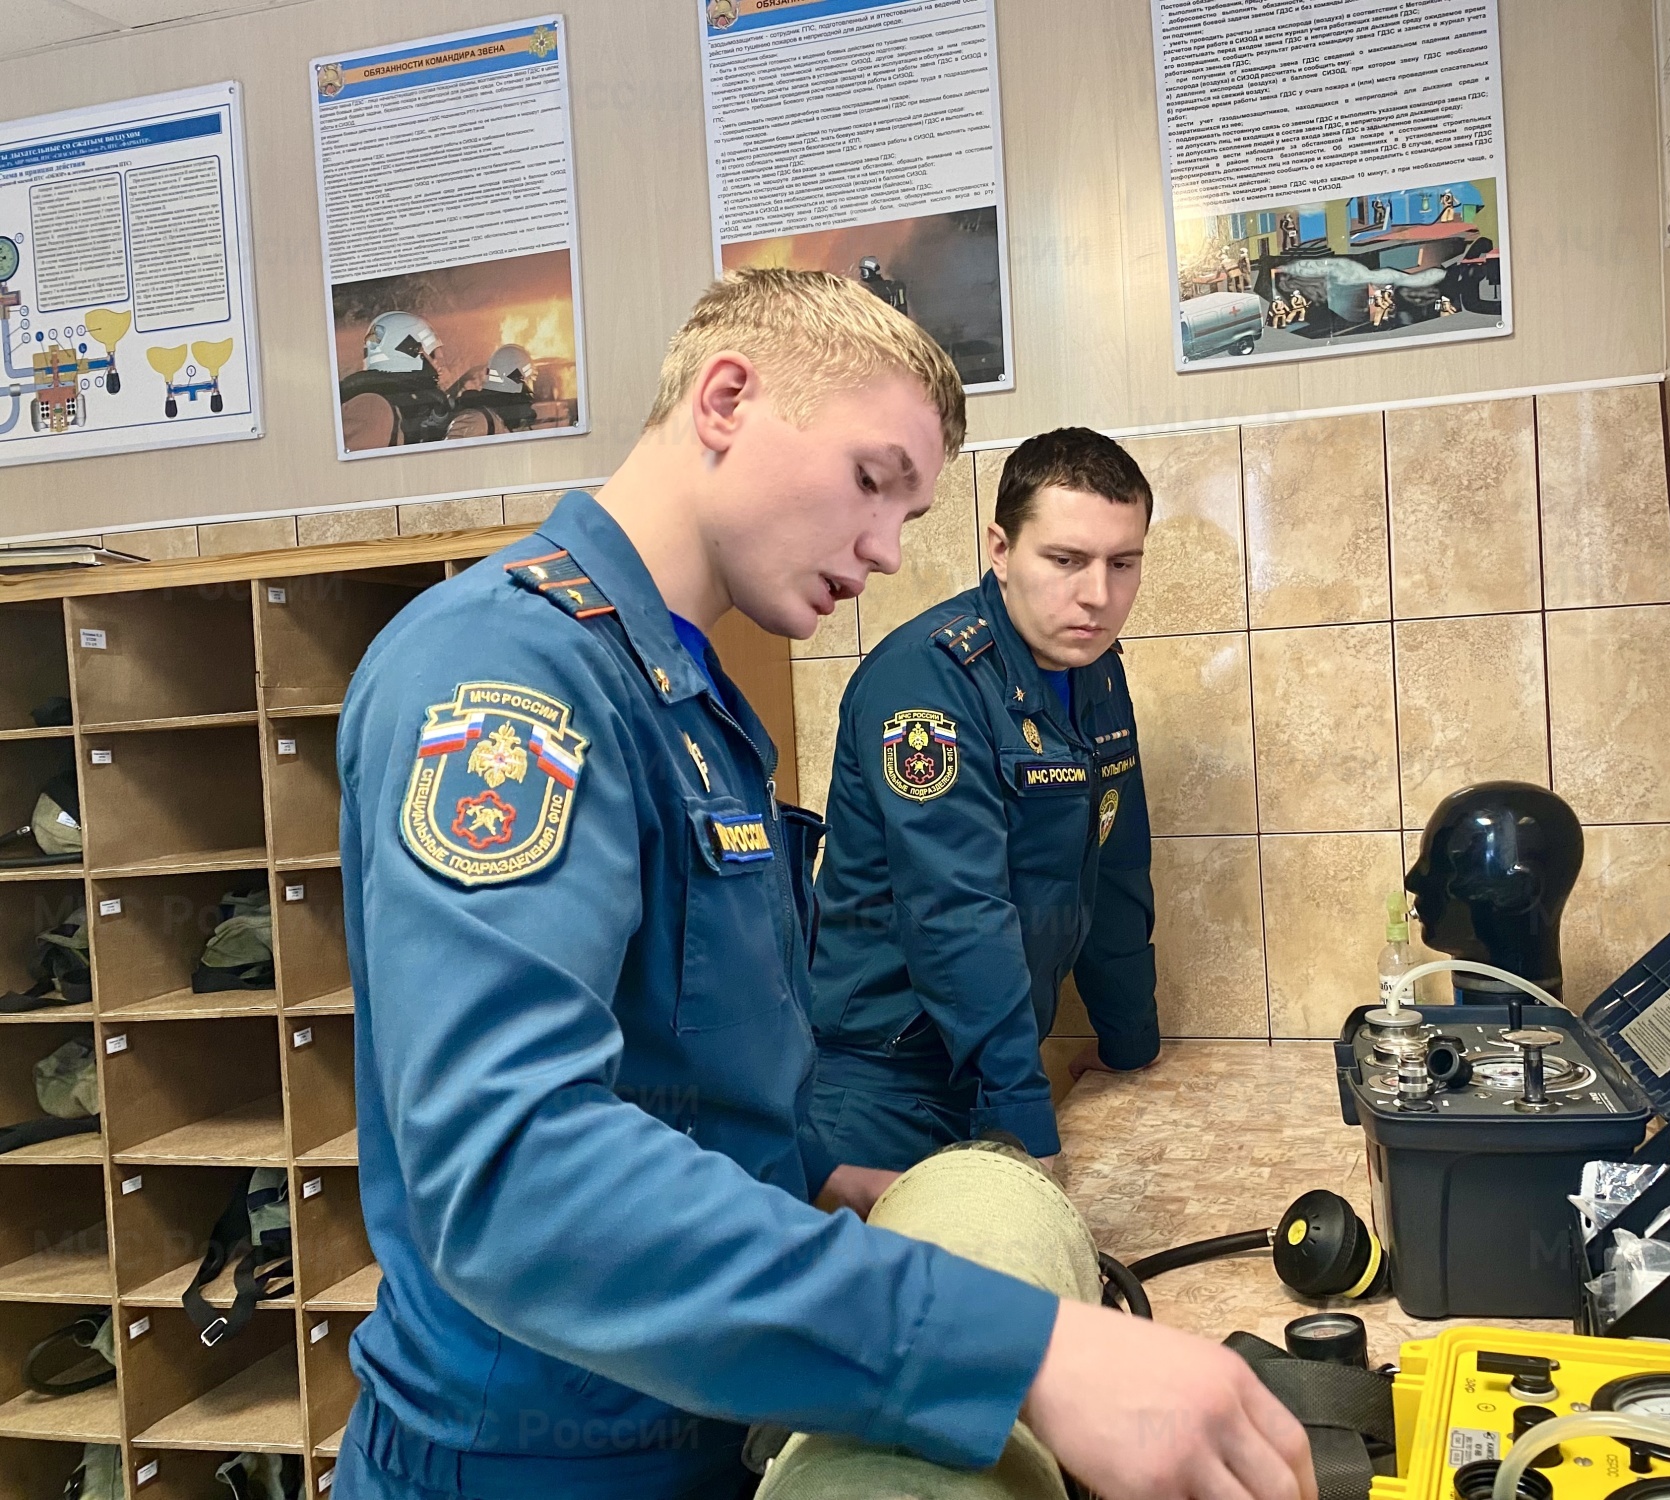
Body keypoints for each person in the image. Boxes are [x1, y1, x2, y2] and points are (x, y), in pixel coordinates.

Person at [333, 269, 1312, 1500]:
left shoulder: (690, 699)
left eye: (909, 511)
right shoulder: (503, 676)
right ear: (728, 400)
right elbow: (511, 1172)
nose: (887, 550)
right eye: (871, 480)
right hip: (533, 1456)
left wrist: (806, 1176)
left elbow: (675, 1065)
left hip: (701, 1412)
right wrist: (1020, 1353)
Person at [808, 429, 1159, 1174]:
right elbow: (957, 911)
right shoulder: (928, 680)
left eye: (1122, 563)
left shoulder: (1094, 671)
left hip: (995, 1068)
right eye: (1065, 561)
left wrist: (1131, 1043)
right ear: (1000, 549)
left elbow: (1116, 866)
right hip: (883, 1084)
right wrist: (1022, 1123)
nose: (1098, 596)